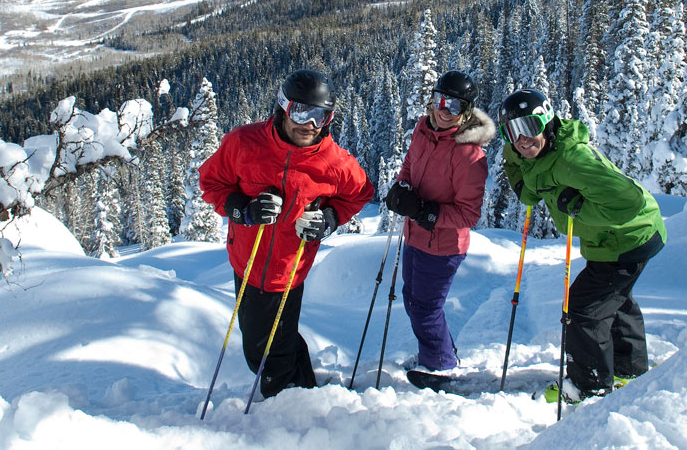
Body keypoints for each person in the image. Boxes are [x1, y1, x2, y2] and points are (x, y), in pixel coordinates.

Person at [199, 69, 373, 398]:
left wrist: (330, 219)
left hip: (288, 269)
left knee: (265, 355)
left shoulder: (333, 162)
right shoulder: (243, 143)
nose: (309, 124)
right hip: (245, 262)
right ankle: (303, 386)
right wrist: (242, 209)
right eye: (300, 111)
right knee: (266, 340)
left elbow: (360, 192)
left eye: (320, 115)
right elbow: (211, 182)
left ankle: (287, 403)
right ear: (282, 108)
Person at [498, 88, 666, 403]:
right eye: (512, 132)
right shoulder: (536, 156)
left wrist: (578, 208)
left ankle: (589, 385)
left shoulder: (572, 159)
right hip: (613, 241)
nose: (522, 139)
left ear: (546, 122)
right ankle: (628, 369)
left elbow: (629, 202)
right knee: (613, 299)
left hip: (629, 236)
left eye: (529, 128)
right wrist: (518, 170)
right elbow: (531, 185)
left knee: (583, 310)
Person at [386, 70, 494, 377]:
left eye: (454, 106)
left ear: (467, 111)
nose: (443, 110)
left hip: (443, 246)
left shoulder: (469, 155)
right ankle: (438, 353)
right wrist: (401, 187)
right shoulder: (424, 128)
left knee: (425, 308)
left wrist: (424, 212)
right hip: (415, 236)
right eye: (439, 100)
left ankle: (440, 365)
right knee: (412, 299)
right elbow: (410, 163)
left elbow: (469, 215)